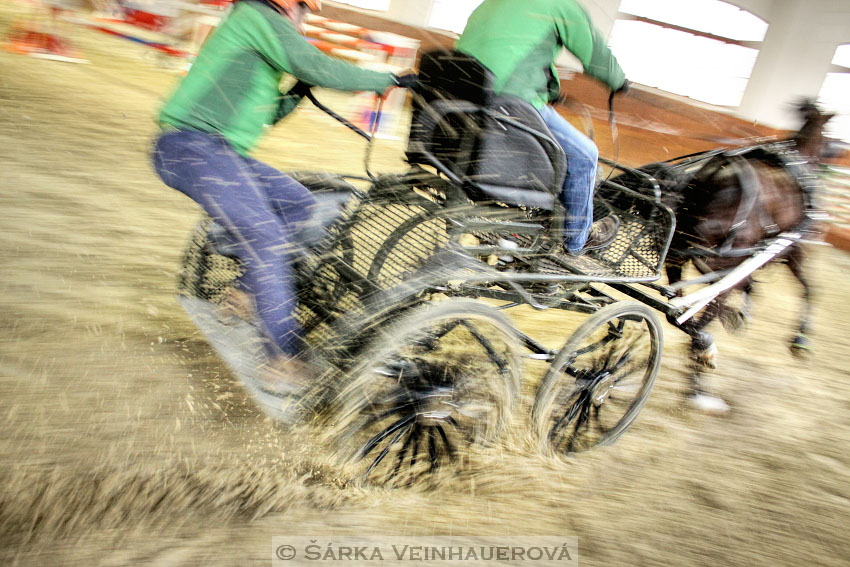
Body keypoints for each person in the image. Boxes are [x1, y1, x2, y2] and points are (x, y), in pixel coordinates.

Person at [151, 0, 416, 392]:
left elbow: (266, 113)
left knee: (297, 203)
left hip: (217, 151)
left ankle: (245, 293)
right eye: (305, 8)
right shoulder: (257, 15)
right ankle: (282, 359)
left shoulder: (261, 28)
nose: (305, 15)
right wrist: (389, 79)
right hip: (191, 147)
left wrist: (299, 90)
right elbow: (316, 64)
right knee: (267, 237)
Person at [456, 0, 629, 255]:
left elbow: (510, 49)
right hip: (511, 101)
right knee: (585, 155)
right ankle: (577, 242)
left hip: (466, 96)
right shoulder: (561, 5)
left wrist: (547, 88)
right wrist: (619, 81)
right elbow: (595, 54)